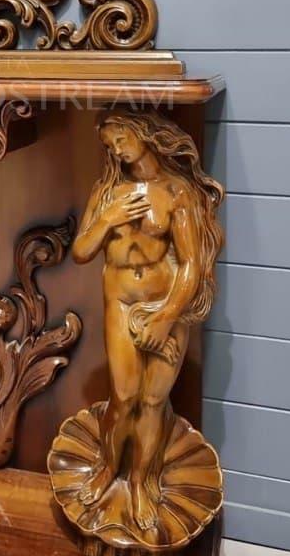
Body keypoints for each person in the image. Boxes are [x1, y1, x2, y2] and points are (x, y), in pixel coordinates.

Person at [71, 112, 223, 531]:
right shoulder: (108, 191)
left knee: (154, 401)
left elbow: (191, 264)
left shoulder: (177, 192)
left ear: (144, 134)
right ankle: (107, 468)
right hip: (121, 305)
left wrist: (166, 318)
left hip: (165, 307)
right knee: (124, 397)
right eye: (109, 145)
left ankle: (140, 481)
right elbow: (81, 251)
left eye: (121, 139)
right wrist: (108, 219)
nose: (117, 150)